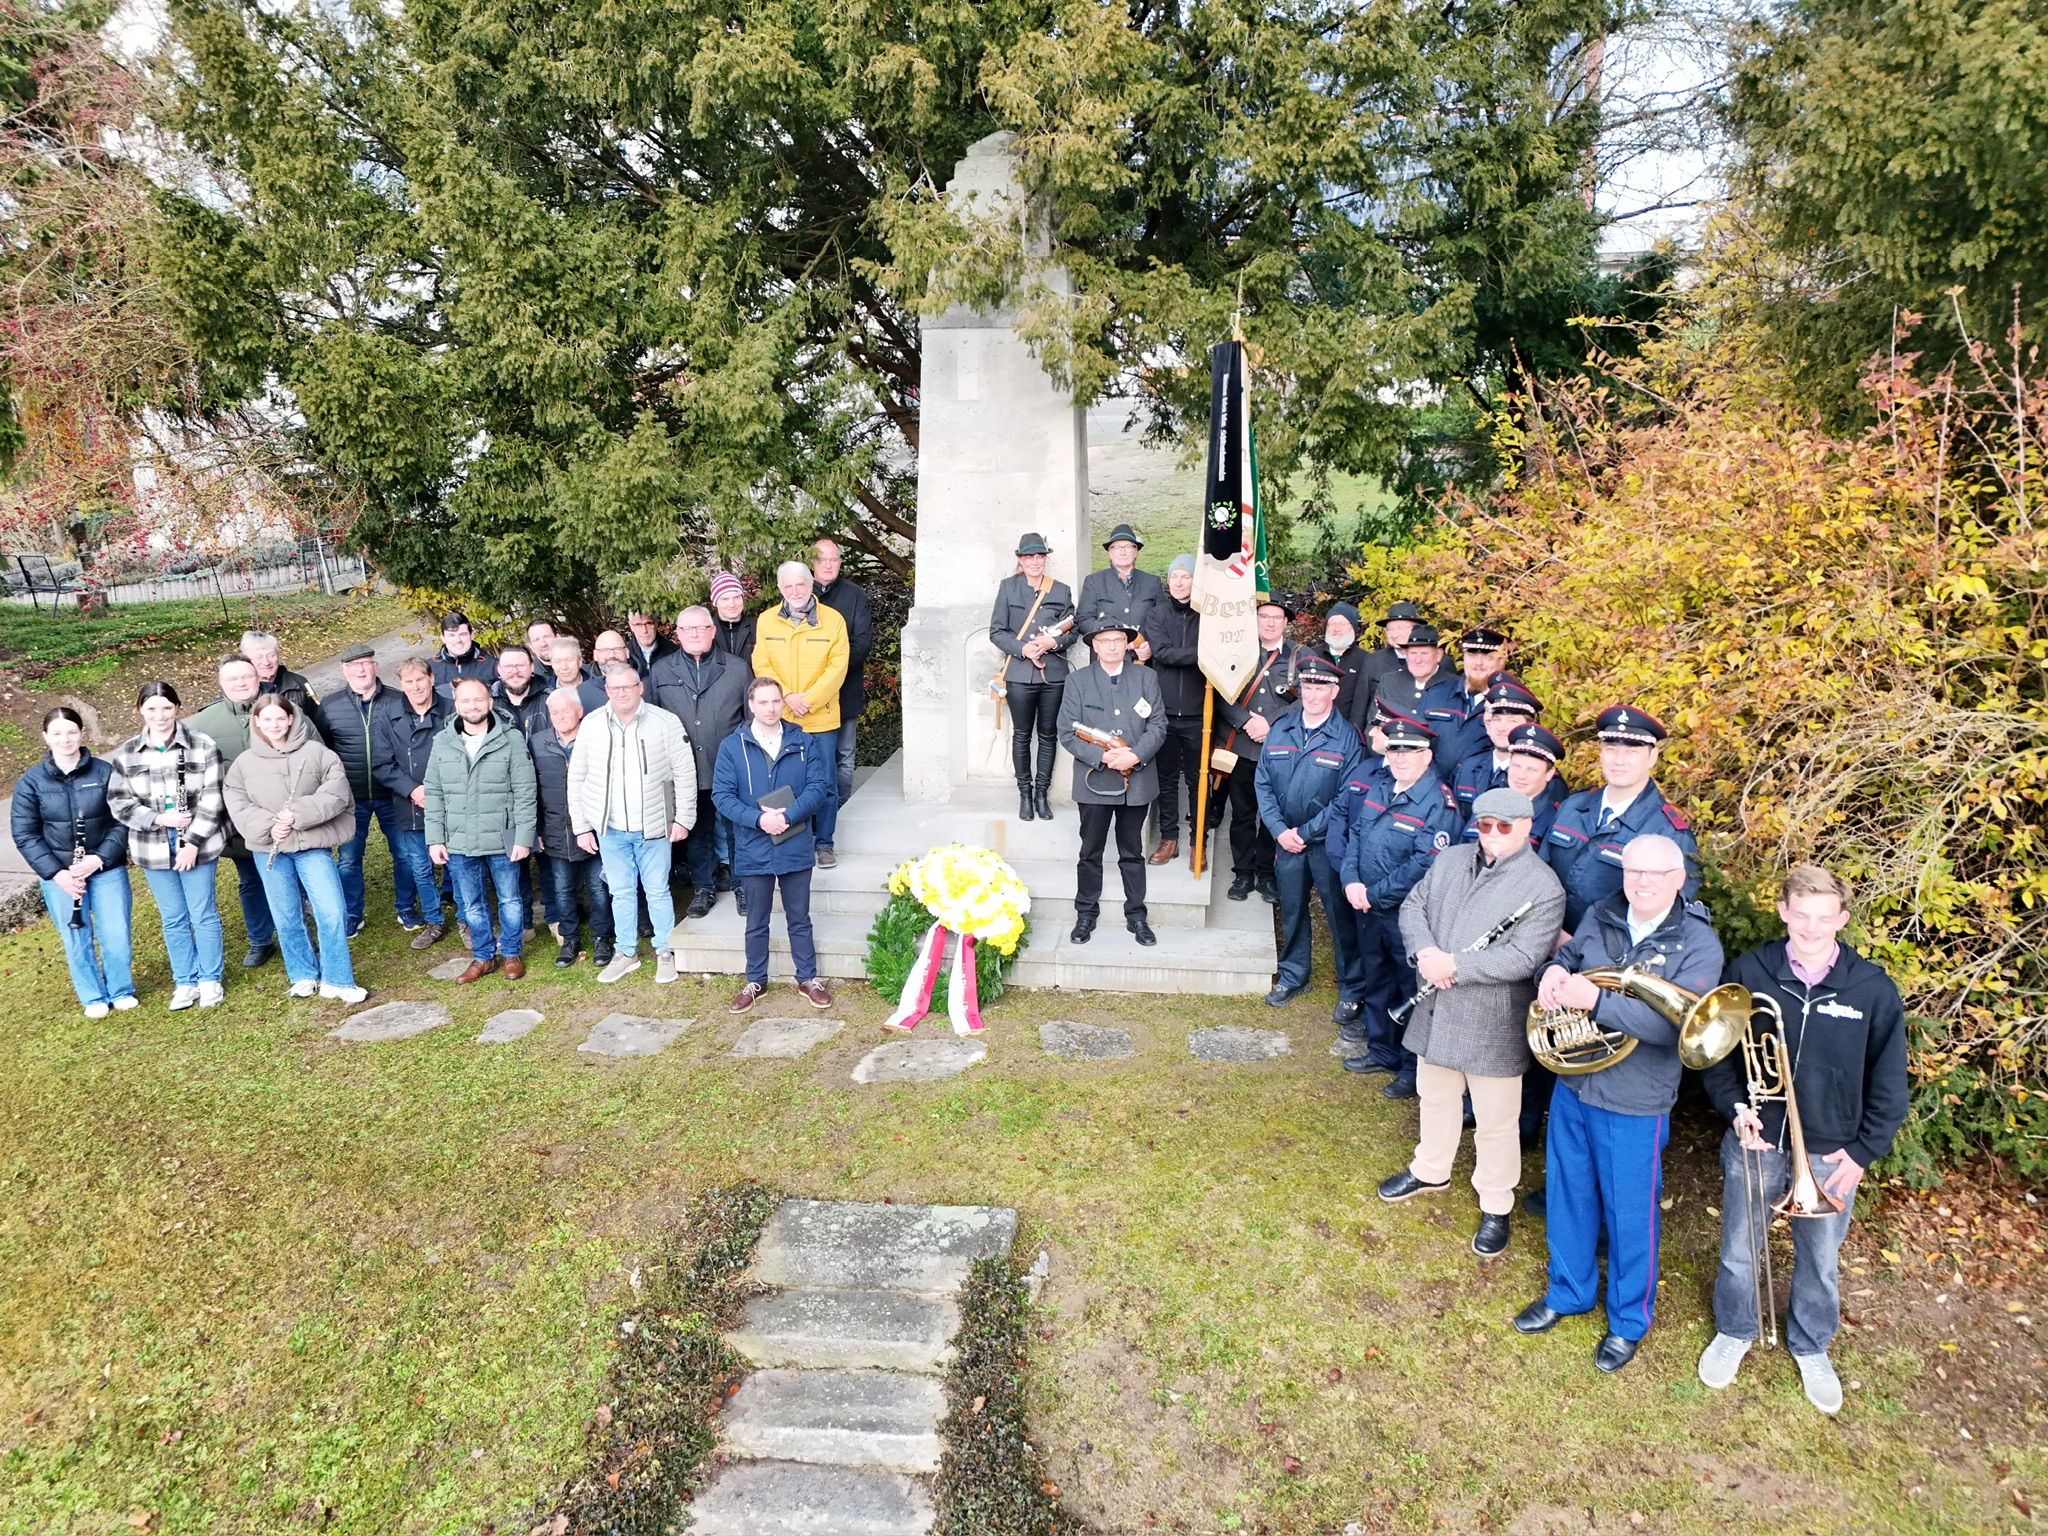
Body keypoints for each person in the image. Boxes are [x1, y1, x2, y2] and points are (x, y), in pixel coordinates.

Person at [1697, 865, 1910, 1415]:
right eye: (1801, 914)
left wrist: (1863, 1153)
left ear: (1841, 919)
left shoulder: (1872, 988)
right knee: (1741, 1252)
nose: (1811, 928)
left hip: (1831, 1150)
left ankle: (1812, 1345)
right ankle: (1736, 1330)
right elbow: (1717, 1053)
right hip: (1758, 1139)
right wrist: (1736, 1108)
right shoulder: (1751, 971)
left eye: (1824, 917)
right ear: (1784, 911)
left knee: (1820, 1260)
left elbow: (1888, 1083)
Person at [1512, 834, 1722, 1373]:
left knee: (1630, 1214)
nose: (1642, 883)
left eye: (1654, 874)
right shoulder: (1603, 914)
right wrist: (1552, 975)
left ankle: (1628, 1320)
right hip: (1576, 1084)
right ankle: (1569, 1291)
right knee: (1568, 1193)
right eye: (1634, 872)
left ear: (1678, 878)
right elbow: (1568, 959)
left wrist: (1598, 1001)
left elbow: (1675, 1023)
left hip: (1636, 1099)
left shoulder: (1698, 942)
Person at [1379, 788, 1567, 1256]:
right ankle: (1430, 1168)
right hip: (1438, 1005)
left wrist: (1455, 967)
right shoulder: (1451, 860)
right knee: (1435, 1095)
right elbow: (1413, 907)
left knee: (1496, 1120)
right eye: (1485, 825)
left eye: (1504, 826)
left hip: (1491, 1017)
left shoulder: (1544, 887)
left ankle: (1496, 1202)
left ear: (1526, 827)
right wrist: (1425, 954)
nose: (1492, 835)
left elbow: (1523, 958)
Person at [1338, 716, 1462, 1098]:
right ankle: (1382, 1049)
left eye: (1410, 751)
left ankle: (1411, 1068)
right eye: (1394, 749)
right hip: (1369, 907)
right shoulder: (1380, 786)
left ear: (1427, 756)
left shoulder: (1439, 803)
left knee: (1413, 990)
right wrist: (1351, 880)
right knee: (1377, 979)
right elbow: (1356, 835)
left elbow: (1424, 864)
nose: (1400, 757)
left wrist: (1373, 893)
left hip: (1409, 916)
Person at [222, 694, 364, 1003]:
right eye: (266, 719)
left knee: (332, 911)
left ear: (291, 719)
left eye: (280, 718)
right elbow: (236, 801)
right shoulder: (244, 763)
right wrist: (268, 824)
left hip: (312, 845)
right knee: (286, 915)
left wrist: (298, 814)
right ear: (257, 722)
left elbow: (337, 791)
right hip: (270, 847)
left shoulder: (317, 752)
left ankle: (337, 979)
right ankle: (302, 975)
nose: (274, 724)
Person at [567, 664, 698, 985]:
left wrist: (684, 818)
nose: (621, 693)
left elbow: (684, 772)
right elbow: (577, 776)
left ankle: (665, 951)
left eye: (628, 687)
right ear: (607, 690)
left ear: (640, 687)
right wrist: (581, 825)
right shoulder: (593, 725)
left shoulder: (664, 722)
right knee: (621, 893)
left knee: (657, 891)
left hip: (653, 826)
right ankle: (626, 953)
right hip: (609, 828)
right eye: (614, 689)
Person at [712, 676, 836, 1013]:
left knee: (800, 917)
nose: (770, 708)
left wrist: (790, 814)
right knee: (756, 919)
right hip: (753, 845)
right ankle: (755, 980)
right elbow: (722, 795)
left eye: (776, 701)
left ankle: (808, 978)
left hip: (794, 841)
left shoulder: (801, 741)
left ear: (783, 703)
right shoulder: (732, 746)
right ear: (751, 705)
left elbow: (818, 786)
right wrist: (759, 819)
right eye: (763, 702)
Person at [1256, 653, 1367, 1013]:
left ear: (1334, 691)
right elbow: (1263, 783)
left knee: (1340, 916)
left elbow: (1346, 797)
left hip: (1328, 844)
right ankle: (1292, 975)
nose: (1313, 694)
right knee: (1292, 911)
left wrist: (1305, 832)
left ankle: (1351, 989)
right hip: (1286, 840)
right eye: (1307, 686)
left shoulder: (1347, 737)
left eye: (1321, 687)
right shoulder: (1281, 727)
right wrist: (1278, 830)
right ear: (1299, 687)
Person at [107, 682, 228, 1010]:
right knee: (173, 917)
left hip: (197, 846)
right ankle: (185, 981)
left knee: (202, 913)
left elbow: (213, 797)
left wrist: (191, 842)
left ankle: (210, 979)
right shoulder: (127, 753)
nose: (159, 715)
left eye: (166, 708)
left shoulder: (202, 745)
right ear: (139, 711)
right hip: (152, 847)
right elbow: (119, 802)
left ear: (177, 708)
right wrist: (160, 820)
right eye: (151, 709)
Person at [12, 706, 134, 1017]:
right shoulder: (31, 782)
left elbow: (122, 821)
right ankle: (93, 996)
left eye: (71, 731)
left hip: (105, 867)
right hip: (62, 875)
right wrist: (56, 873)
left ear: (81, 733)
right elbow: (25, 834)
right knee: (76, 936)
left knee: (116, 931)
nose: (65, 739)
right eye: (57, 733)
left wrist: (100, 858)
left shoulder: (104, 772)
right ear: (45, 737)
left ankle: (120, 989)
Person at [1057, 616, 1168, 945]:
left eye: (1119, 640)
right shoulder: (1078, 681)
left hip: (1137, 779)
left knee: (1132, 851)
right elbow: (1067, 731)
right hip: (1095, 781)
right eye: (1105, 641)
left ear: (1127, 644)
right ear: (1094, 645)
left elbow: (1158, 726)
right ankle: (1086, 914)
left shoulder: (1146, 677)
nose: (1112, 646)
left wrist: (1135, 756)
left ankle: (1136, 916)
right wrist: (1103, 757)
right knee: (1090, 851)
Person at [1544, 706, 1701, 935]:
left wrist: (1580, 950)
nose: (1619, 760)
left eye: (1631, 752)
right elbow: (1539, 875)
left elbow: (1667, 922)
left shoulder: (1669, 833)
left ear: (1652, 757)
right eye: (1611, 749)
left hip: (1606, 961)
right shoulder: (1573, 806)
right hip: (1542, 941)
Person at [424, 679, 538, 982]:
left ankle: (511, 952)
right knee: (471, 903)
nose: (472, 706)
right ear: (456, 705)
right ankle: (484, 956)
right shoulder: (442, 742)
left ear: (490, 703)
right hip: (459, 839)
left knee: (510, 899)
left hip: (503, 837)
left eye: (478, 700)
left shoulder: (511, 739)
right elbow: (433, 793)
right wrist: (435, 838)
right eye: (465, 701)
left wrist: (524, 836)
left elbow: (525, 791)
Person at [650, 605, 749, 916]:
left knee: (737, 831)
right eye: (687, 629)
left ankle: (742, 886)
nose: (694, 633)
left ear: (712, 631)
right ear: (677, 634)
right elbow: (653, 720)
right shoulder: (661, 671)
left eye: (700, 628)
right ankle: (703, 889)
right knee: (697, 833)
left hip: (730, 768)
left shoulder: (737, 668)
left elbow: (750, 719)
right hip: (684, 770)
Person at [752, 560, 850, 866]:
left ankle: (824, 842)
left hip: (820, 717)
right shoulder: (767, 621)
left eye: (801, 585)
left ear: (811, 585)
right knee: (787, 783)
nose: (795, 591)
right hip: (782, 718)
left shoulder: (832, 620)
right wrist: (786, 698)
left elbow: (838, 666)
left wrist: (810, 699)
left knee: (825, 784)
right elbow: (762, 662)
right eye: (788, 586)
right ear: (781, 589)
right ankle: (796, 840)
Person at [189, 654, 279, 968]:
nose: (241, 684)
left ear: (259, 678)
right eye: (233, 679)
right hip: (236, 823)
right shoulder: (200, 724)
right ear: (221, 683)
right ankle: (260, 939)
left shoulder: (280, 711)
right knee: (252, 880)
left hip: (282, 818)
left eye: (246, 677)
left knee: (290, 878)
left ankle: (297, 931)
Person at [988, 531, 1079, 822]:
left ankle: (1042, 793)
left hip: (1053, 673)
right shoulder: (1008, 588)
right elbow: (997, 630)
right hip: (1019, 673)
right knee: (1022, 736)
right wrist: (1023, 648)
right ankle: (1024, 794)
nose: (1035, 561)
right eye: (1029, 556)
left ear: (1045, 559)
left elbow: (1073, 629)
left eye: (1040, 556)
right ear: (1020, 559)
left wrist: (1054, 643)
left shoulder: (1061, 590)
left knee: (1049, 735)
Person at [1213, 595, 1299, 903]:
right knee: (1242, 815)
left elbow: (1309, 698)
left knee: (1272, 815)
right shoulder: (1236, 652)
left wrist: (1270, 723)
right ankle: (1243, 874)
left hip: (1279, 752)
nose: (1270, 622)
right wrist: (1245, 721)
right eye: (1264, 617)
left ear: (1286, 622)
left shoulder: (1299, 656)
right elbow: (1221, 691)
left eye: (1277, 618)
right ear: (1255, 620)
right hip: (1241, 748)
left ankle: (1267, 874)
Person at [316, 642, 404, 939]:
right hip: (350, 798)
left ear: (376, 666)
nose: (361, 670)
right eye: (354, 665)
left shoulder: (396, 700)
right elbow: (323, 750)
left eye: (366, 663)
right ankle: (352, 912)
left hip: (392, 794)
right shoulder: (330, 705)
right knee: (350, 858)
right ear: (344, 670)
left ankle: (406, 907)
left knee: (403, 854)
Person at [373, 657, 455, 947]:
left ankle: (468, 920)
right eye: (409, 681)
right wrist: (412, 790)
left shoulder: (452, 710)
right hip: (409, 806)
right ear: (402, 685)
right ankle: (434, 920)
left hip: (452, 803)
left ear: (432, 679)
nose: (416, 686)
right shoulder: (387, 716)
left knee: (457, 864)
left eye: (421, 679)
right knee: (420, 867)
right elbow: (382, 763)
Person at [530, 689, 614, 967]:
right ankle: (570, 940)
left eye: (566, 710)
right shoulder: (537, 743)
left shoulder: (596, 739)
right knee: (562, 889)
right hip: (554, 830)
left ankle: (602, 938)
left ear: (579, 712)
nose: (560, 717)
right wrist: (537, 828)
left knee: (599, 887)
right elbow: (532, 790)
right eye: (554, 712)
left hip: (592, 829)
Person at [1141, 553, 1202, 862]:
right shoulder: (1156, 615)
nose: (1179, 582)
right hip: (1163, 711)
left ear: (1195, 580)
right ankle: (1169, 839)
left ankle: (1197, 842)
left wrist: (1191, 653)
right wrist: (1201, 653)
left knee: (1197, 779)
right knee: (1166, 779)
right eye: (1174, 577)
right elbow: (1163, 654)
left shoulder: (1207, 616)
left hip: (1198, 712)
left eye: (1186, 577)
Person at [812, 538, 874, 808]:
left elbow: (861, 643)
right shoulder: (799, 593)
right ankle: (814, 810)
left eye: (834, 559)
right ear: (812, 563)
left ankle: (842, 807)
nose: (829, 564)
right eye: (823, 559)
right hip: (808, 691)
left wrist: (832, 673)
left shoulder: (855, 595)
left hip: (844, 688)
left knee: (843, 755)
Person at [1462, 722, 1569, 850]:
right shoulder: (1490, 802)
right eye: (1516, 766)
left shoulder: (1555, 819)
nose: (1520, 775)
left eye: (1531, 770)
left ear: (1549, 774)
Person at [1449, 679, 1550, 816]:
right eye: (1497, 719)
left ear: (1528, 727)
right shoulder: (1468, 767)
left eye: (1512, 721)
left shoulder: (1541, 777)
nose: (1502, 728)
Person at [1421, 626, 1511, 773]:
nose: (1478, 663)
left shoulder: (1511, 704)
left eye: (1488, 656)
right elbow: (1417, 745)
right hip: (1434, 790)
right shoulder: (1436, 694)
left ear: (1501, 660)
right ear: (1464, 657)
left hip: (1481, 791)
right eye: (1472, 655)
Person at [1355, 601, 1451, 733]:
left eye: (1401, 628)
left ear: (1415, 629)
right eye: (1390, 629)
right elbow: (1360, 705)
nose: (1395, 634)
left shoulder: (1442, 662)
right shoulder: (1374, 660)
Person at [1077, 523, 1165, 653]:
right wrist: (1112, 637)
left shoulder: (1153, 582)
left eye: (1128, 547)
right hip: (1106, 658)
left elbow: (1162, 620)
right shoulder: (1094, 582)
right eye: (1117, 547)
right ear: (1110, 552)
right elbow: (1083, 620)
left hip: (1143, 659)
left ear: (1136, 551)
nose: (1122, 552)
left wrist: (1150, 644)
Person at [1370, 622, 1449, 741]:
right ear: (1406, 655)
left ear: (1438, 655)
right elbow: (1372, 728)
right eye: (1413, 653)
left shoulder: (1453, 686)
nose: (1418, 660)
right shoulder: (1389, 682)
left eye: (1424, 653)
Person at [1303, 601, 1373, 735]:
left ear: (1353, 627)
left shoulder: (1366, 659)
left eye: (1341, 624)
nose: (1336, 629)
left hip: (1349, 733)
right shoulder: (1311, 655)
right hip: (1312, 731)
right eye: (1332, 624)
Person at [242, 629, 318, 714]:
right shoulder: (239, 689)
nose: (266, 662)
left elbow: (317, 719)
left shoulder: (299, 683)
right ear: (247, 660)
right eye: (259, 657)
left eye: (271, 656)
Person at [489, 644, 550, 737]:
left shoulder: (550, 699)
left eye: (520, 665)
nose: (514, 671)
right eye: (508, 666)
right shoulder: (488, 703)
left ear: (532, 667)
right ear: (499, 670)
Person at [430, 611, 498, 689]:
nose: (458, 640)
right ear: (443, 638)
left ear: (472, 635)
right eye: (451, 635)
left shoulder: (493, 666)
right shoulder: (429, 669)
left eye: (463, 634)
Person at [709, 572, 758, 661]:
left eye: (736, 598)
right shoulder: (706, 631)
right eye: (725, 599)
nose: (732, 604)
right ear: (715, 603)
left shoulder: (757, 627)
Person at [624, 609, 678, 677]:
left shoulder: (675, 653)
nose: (644, 630)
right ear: (631, 626)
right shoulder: (624, 656)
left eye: (649, 623)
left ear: (656, 623)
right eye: (638, 625)